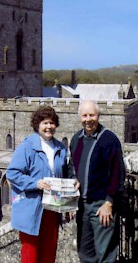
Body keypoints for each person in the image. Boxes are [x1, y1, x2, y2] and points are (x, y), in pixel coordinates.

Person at [6, 106, 68, 263]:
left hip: (52, 208)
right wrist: (35, 183)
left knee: (49, 253)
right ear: (37, 125)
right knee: (30, 254)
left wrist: (70, 197)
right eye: (45, 123)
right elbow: (12, 173)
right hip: (31, 209)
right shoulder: (27, 146)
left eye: (52, 123)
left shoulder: (60, 147)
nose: (49, 127)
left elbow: (65, 174)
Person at [69, 100, 125, 263]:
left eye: (92, 115)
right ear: (80, 117)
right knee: (85, 252)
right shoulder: (76, 139)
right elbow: (71, 166)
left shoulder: (109, 139)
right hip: (82, 205)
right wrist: (71, 196)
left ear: (98, 116)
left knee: (105, 254)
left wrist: (109, 202)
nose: (88, 119)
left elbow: (117, 173)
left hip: (101, 205)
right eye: (85, 115)